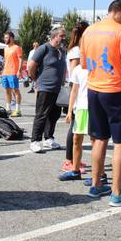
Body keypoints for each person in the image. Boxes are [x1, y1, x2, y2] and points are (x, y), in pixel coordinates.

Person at [79, 0, 121, 206]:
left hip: (94, 89)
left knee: (99, 139)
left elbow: (84, 64)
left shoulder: (89, 31)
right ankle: (117, 192)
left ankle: (96, 185)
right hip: (115, 90)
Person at [27, 27, 67, 153]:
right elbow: (31, 65)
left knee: (54, 115)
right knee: (41, 114)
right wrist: (35, 79)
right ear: (54, 36)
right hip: (45, 87)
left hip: (57, 89)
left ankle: (48, 138)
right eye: (62, 36)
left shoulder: (61, 51)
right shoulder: (44, 48)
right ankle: (35, 141)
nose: (64, 38)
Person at [61, 22, 89, 172]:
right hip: (77, 88)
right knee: (74, 128)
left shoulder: (75, 49)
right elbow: (74, 72)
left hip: (78, 87)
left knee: (76, 129)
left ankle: (74, 159)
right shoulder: (77, 50)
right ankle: (68, 160)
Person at [59, 53, 90, 181]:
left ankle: (100, 175)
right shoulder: (77, 69)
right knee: (77, 139)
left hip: (95, 107)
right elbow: (74, 91)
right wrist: (70, 110)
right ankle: (75, 171)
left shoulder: (97, 67)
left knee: (97, 141)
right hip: (81, 108)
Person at [1, 31, 23, 117]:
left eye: (7, 38)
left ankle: (18, 110)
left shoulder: (17, 48)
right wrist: (3, 71)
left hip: (13, 72)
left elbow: (21, 59)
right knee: (7, 91)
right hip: (5, 72)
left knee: (15, 90)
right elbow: (6, 61)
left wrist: (19, 70)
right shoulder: (5, 48)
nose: (5, 39)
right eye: (5, 38)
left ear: (11, 38)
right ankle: (8, 108)